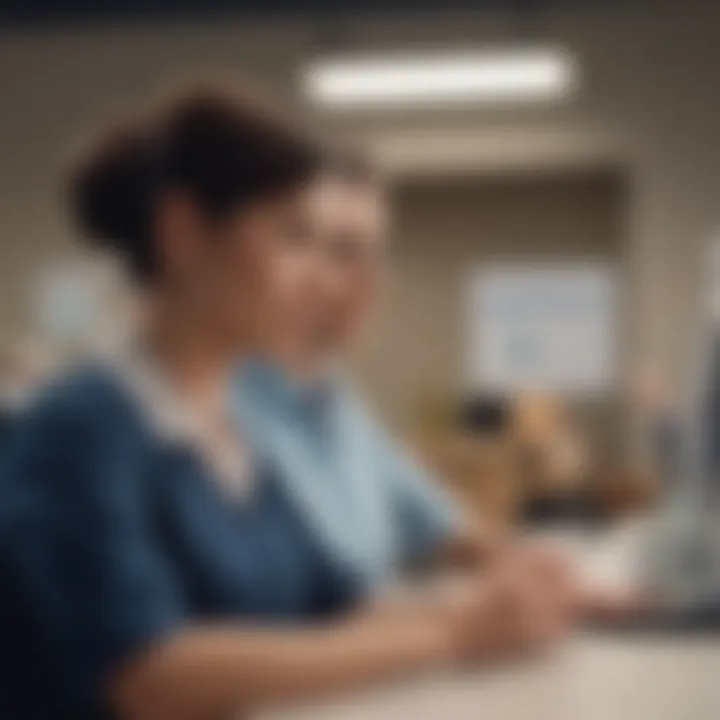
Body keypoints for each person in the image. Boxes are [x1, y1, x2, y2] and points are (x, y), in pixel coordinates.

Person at [0, 88, 560, 720]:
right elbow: (150, 672)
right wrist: (454, 638)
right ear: (182, 232)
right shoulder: (78, 432)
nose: (318, 277)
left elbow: (332, 609)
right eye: (293, 238)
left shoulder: (229, 428)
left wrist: (492, 610)